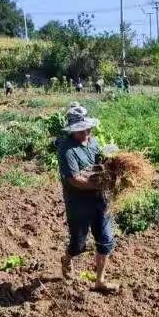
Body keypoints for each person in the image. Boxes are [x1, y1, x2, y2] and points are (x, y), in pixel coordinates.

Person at [57, 106, 118, 293]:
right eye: (81, 130)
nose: (86, 133)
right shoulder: (66, 150)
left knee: (106, 239)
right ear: (73, 130)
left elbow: (102, 162)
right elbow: (74, 179)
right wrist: (99, 185)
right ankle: (68, 258)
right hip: (79, 204)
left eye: (87, 129)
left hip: (100, 200)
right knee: (79, 244)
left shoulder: (93, 142)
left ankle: (100, 281)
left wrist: (115, 165)